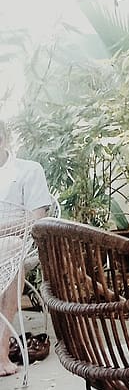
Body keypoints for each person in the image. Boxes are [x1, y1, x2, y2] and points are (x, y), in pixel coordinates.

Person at [0, 119, 53, 376]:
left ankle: (1, 351)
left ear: (4, 140)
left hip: (18, 246)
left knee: (13, 252)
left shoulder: (28, 170)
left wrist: (4, 229)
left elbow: (36, 220)